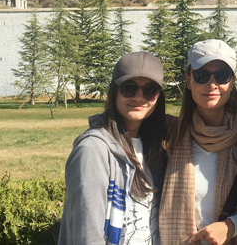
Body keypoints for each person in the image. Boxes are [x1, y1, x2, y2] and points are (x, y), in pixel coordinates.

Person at [59, 51, 167, 245]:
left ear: (158, 97)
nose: (139, 97)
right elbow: (88, 235)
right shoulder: (93, 151)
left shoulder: (155, 147)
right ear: (114, 91)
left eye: (150, 90)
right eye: (129, 87)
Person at [160, 39, 237, 245]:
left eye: (221, 76)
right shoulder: (170, 137)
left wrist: (233, 226)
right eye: (202, 75)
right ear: (188, 80)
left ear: (232, 82)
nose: (211, 84)